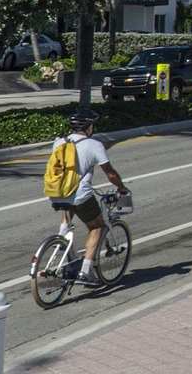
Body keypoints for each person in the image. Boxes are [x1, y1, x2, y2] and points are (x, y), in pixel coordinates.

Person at [49, 108, 130, 286]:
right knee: (97, 227)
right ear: (88, 127)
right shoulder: (94, 145)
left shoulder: (59, 143)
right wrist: (121, 187)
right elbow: (110, 174)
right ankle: (85, 271)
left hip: (57, 194)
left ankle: (62, 236)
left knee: (68, 208)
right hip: (80, 195)